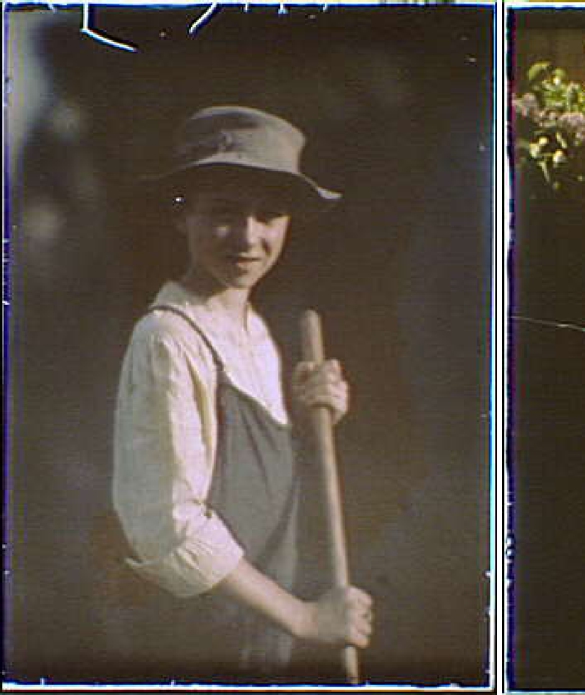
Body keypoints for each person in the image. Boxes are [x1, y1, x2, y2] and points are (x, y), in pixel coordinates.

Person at [112, 105, 372, 680]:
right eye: (224, 213)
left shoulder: (255, 330)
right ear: (182, 215)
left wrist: (309, 423)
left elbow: (247, 476)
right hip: (195, 643)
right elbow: (167, 526)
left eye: (269, 214)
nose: (248, 237)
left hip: (256, 632)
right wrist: (303, 619)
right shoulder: (169, 338)